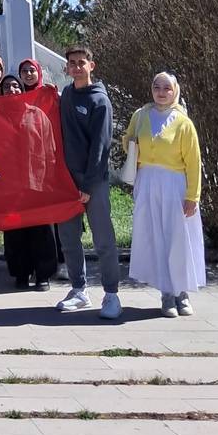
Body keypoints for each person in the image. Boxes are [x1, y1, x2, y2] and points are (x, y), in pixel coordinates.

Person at [123, 71, 204, 317]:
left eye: (166, 88)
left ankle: (182, 293)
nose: (160, 92)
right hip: (148, 182)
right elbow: (128, 141)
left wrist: (193, 196)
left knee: (178, 239)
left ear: (175, 91)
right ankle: (166, 294)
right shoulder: (141, 115)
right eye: (156, 87)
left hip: (175, 185)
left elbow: (193, 161)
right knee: (156, 238)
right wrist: (130, 142)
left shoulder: (183, 122)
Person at [56, 46, 121, 321]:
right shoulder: (67, 94)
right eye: (72, 63)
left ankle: (112, 294)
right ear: (67, 68)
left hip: (92, 183)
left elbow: (100, 147)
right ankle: (79, 290)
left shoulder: (100, 101)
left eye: (82, 63)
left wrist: (86, 184)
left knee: (103, 239)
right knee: (69, 239)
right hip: (66, 183)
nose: (77, 67)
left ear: (91, 66)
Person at [2, 59, 60, 293]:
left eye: (16, 86)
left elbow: (50, 148)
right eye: (7, 87)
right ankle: (20, 273)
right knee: (15, 231)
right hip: (9, 182)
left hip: (37, 180)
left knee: (40, 230)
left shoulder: (36, 114)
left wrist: (49, 178)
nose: (12, 90)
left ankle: (43, 274)